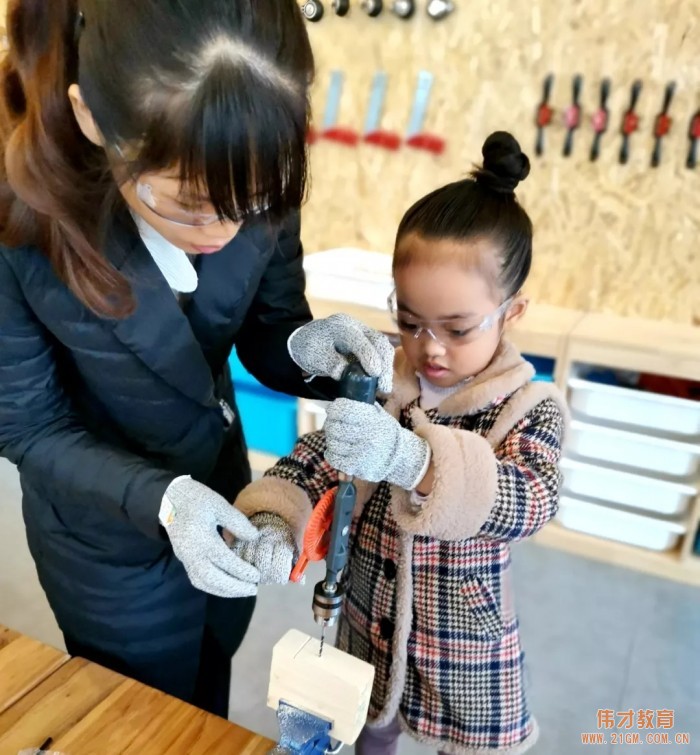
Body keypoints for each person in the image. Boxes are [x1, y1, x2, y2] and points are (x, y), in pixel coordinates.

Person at [0, 0, 394, 718]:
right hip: (106, 548)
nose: (224, 229)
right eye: (187, 203)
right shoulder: (21, 214)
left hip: (227, 490)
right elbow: (26, 427)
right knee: (140, 716)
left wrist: (316, 353)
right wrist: (162, 500)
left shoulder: (252, 159)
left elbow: (272, 326)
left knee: (210, 696)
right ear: (92, 120)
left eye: (253, 200)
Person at [233, 132, 568, 754]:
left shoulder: (528, 407)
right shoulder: (385, 378)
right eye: (410, 321)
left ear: (512, 311)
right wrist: (278, 519)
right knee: (364, 725)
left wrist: (414, 460)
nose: (430, 347)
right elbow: (320, 457)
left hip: (463, 639)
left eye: (458, 328)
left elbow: (531, 501)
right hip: (368, 610)